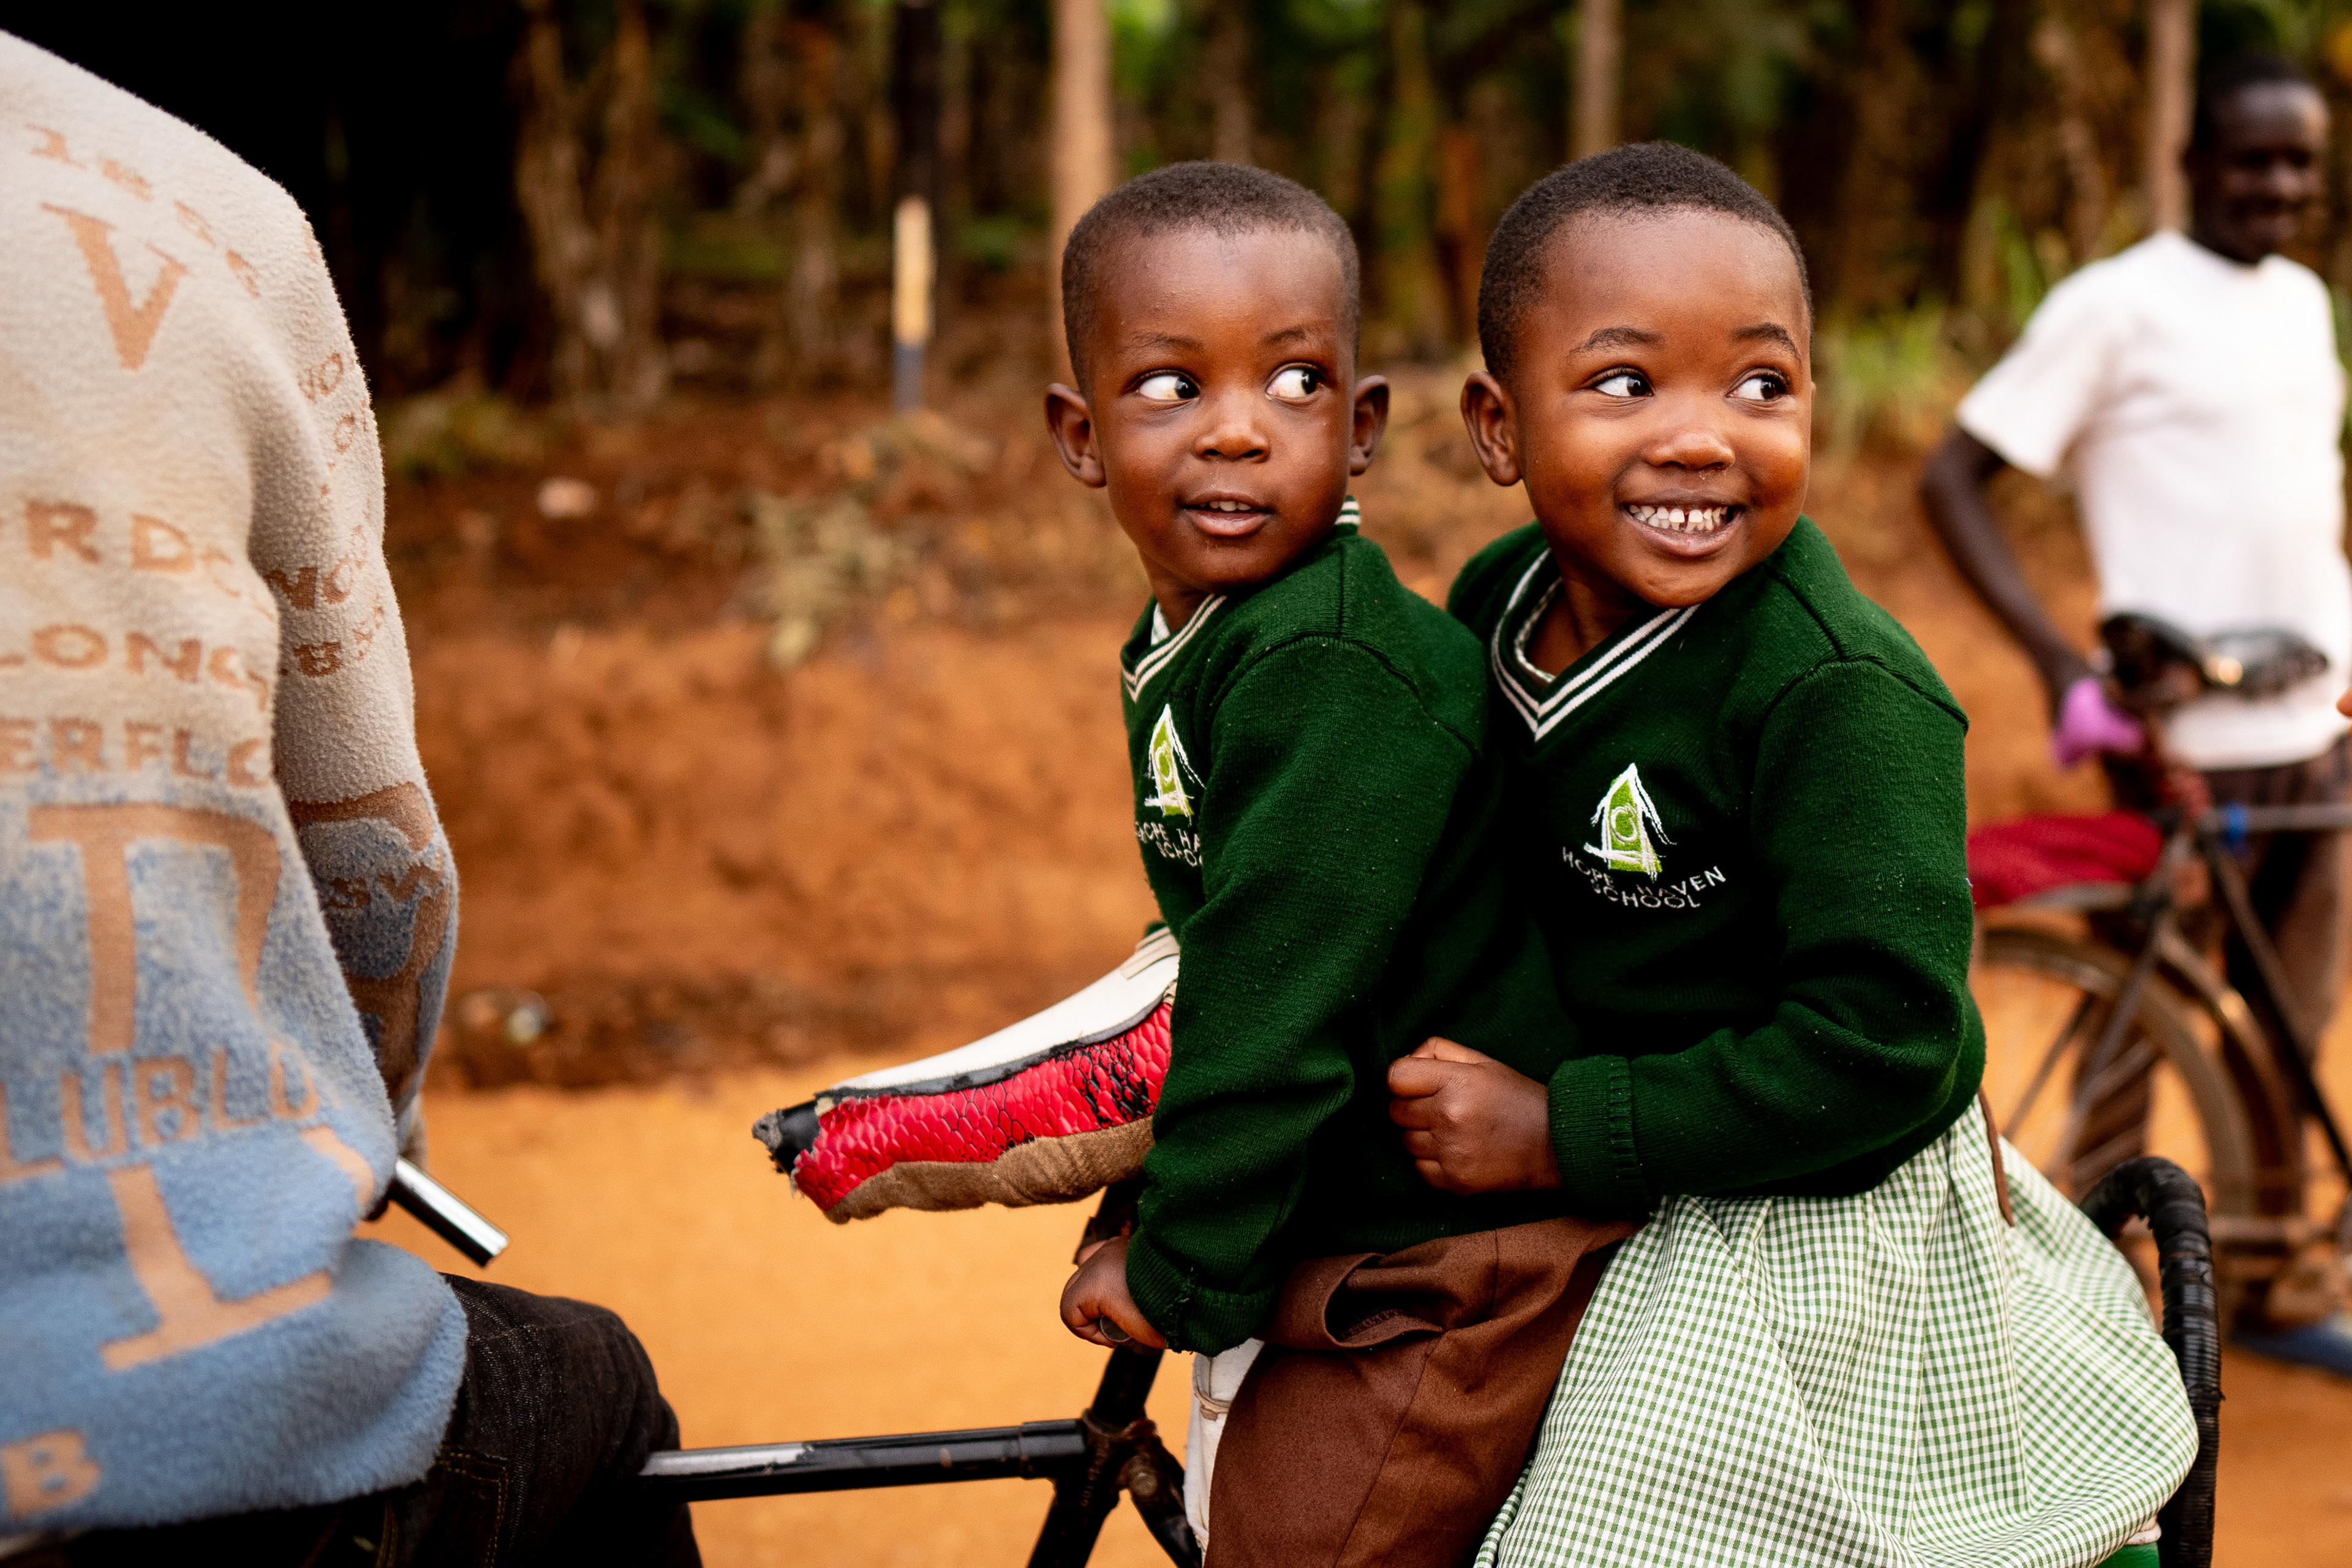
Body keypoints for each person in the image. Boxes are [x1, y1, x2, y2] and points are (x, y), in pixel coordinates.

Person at [1417, 143, 2195, 1568]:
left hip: (1815, 1194)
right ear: (1497, 423)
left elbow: (1885, 1049)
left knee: (1606, 1534)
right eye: (1626, 382)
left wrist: (1557, 1127)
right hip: (1630, 1131)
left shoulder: (1835, 690)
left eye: (1760, 385)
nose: (1705, 436)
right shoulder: (1492, 607)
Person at [0, 32, 695, 1567]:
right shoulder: (194, 209)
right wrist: (366, 1135)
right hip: (156, 1426)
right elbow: (378, 872)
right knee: (599, 1392)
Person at [1043, 162, 1629, 1568]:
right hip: (1346, 1191)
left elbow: (1273, 1004)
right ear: (1080, 434)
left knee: (1301, 1542)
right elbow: (1226, 931)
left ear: (1362, 428)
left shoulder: (1331, 664)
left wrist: (1182, 1267)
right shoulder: (1206, 637)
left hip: (1458, 1254)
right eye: (1171, 388)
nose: (1240, 434)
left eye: (1296, 384)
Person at [1918, 53, 2352, 1368]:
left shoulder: (2301, 303)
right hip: (2175, 738)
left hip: (2315, 727)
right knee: (2134, 1012)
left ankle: (2282, 1280)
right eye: (2251, 159)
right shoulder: (2117, 306)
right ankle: (2079, 1302)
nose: (2277, 185)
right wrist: (2060, 663)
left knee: (2291, 1018)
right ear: (2194, 163)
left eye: (2301, 162)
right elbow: (1955, 476)